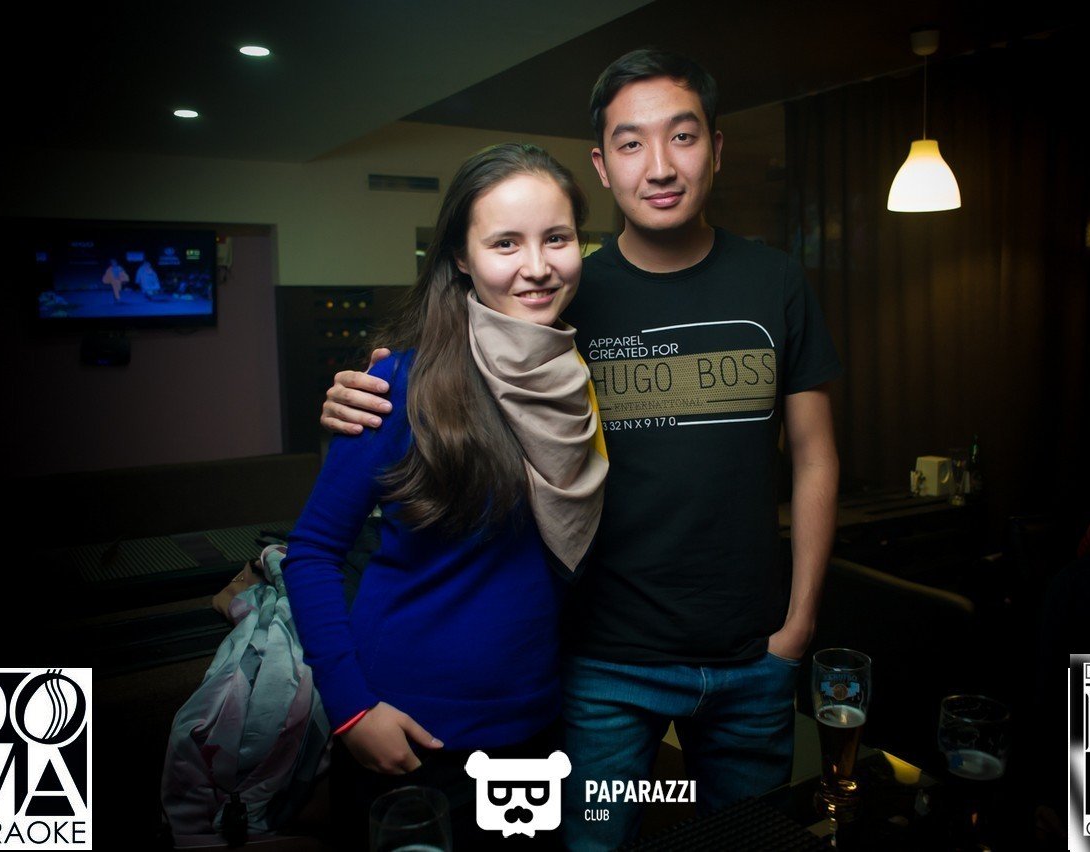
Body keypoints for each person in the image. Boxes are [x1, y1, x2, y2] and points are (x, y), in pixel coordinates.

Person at [322, 50, 842, 848]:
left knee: (747, 843)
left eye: (683, 136)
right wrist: (366, 389)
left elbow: (813, 456)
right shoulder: (561, 290)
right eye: (631, 143)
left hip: (753, 657)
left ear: (716, 148)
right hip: (602, 663)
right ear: (602, 164)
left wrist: (797, 629)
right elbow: (457, 362)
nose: (659, 165)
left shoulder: (776, 282)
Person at [283, 142, 606, 848]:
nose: (537, 266)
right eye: (505, 243)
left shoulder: (575, 378)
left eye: (556, 238)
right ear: (460, 256)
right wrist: (351, 709)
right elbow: (310, 552)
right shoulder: (399, 383)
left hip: (533, 722)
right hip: (407, 727)